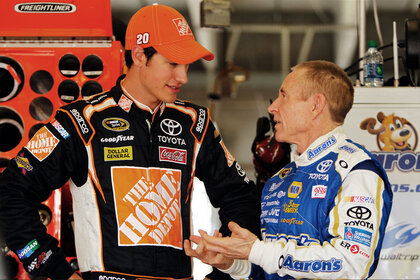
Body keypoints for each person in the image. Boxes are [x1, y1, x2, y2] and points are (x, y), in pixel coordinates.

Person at [0, 4, 261, 280]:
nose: (183, 77)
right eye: (172, 63)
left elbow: (243, 199)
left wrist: (224, 275)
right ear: (139, 55)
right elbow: (10, 194)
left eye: (186, 65)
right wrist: (55, 271)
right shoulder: (79, 121)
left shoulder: (195, 123)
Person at [184, 60, 393, 279]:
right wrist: (232, 264)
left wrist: (256, 250)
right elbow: (269, 269)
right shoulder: (278, 182)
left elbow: (352, 263)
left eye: (284, 96)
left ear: (316, 105)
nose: (272, 107)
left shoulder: (357, 171)